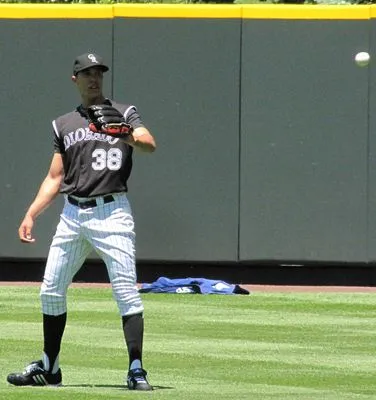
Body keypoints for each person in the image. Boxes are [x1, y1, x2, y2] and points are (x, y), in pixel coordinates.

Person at [6, 52, 156, 391]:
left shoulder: (124, 112)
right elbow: (54, 177)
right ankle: (50, 367)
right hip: (73, 214)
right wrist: (31, 213)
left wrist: (127, 133)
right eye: (87, 73)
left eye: (98, 72)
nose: (94, 78)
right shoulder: (63, 124)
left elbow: (149, 144)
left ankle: (136, 370)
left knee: (125, 293)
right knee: (51, 291)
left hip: (112, 211)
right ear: (75, 79)